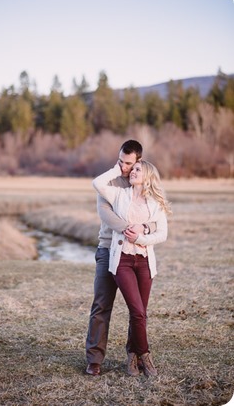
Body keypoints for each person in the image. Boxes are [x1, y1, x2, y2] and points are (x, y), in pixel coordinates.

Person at [92, 159, 171, 377]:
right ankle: (145, 354)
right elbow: (98, 183)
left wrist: (140, 237)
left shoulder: (155, 203)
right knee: (137, 311)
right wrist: (117, 168)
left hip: (145, 261)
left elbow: (162, 234)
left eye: (138, 169)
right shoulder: (119, 195)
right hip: (123, 261)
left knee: (140, 313)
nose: (132, 172)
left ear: (147, 176)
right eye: (132, 169)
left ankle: (132, 356)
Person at [85, 140, 155, 376]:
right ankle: (94, 359)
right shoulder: (109, 181)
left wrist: (144, 229)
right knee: (102, 305)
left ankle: (133, 355)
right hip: (108, 250)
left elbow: (157, 214)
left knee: (136, 308)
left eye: (128, 163)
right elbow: (105, 214)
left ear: (138, 161)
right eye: (121, 161)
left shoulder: (143, 181)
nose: (124, 167)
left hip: (135, 253)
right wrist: (130, 228)